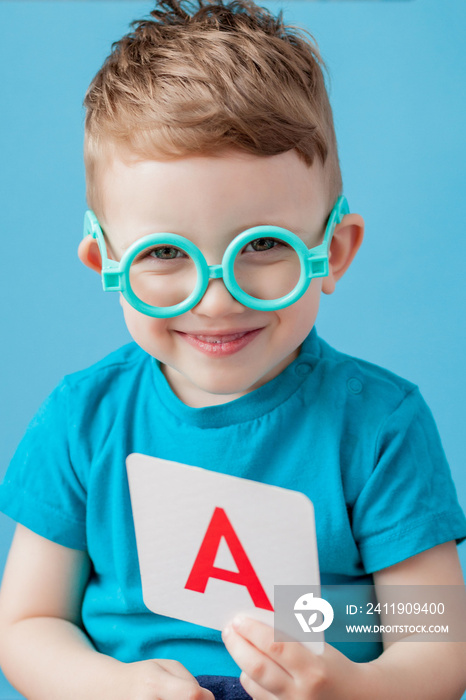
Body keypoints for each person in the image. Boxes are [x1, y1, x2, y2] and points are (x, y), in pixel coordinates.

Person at [0, 0, 465, 698]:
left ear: (331, 251)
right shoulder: (82, 420)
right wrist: (110, 687)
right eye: (164, 253)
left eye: (265, 246)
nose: (216, 299)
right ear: (107, 263)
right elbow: (27, 623)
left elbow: (440, 643)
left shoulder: (381, 426)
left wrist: (347, 689)